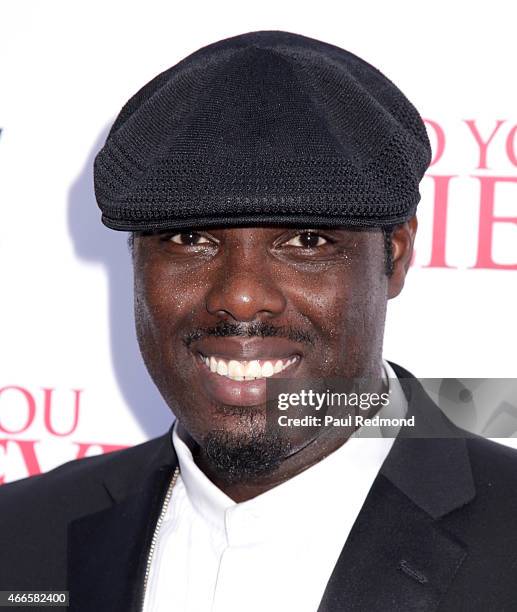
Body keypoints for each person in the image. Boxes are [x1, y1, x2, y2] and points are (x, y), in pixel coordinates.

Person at [1, 30, 516, 612]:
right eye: (189, 238)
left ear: (393, 257)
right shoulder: (20, 538)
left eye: (306, 239)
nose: (242, 297)